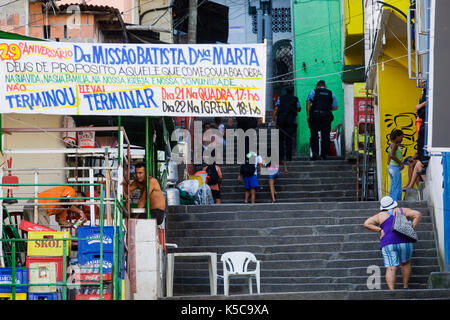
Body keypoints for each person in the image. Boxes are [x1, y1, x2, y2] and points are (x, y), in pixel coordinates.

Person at [363, 196, 422, 290]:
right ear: (393, 203)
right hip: (405, 241)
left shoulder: (379, 216)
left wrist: (380, 230)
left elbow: (366, 223)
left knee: (391, 267)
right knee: (405, 263)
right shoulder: (402, 210)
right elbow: (417, 214)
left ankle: (392, 291)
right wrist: (411, 228)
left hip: (388, 242)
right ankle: (405, 287)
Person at [272, 86, 301, 174]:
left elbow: (276, 108)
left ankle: (281, 156)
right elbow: (299, 108)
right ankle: (288, 157)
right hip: (290, 121)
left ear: (285, 91)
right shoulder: (296, 99)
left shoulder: (280, 98)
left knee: (280, 140)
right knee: (289, 139)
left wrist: (273, 118)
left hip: (281, 121)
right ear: (293, 91)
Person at [306, 80, 338, 160]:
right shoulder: (331, 94)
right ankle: (324, 155)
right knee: (326, 136)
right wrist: (325, 108)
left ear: (317, 86)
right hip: (326, 117)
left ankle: (315, 155)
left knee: (314, 135)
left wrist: (308, 115)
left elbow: (308, 103)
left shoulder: (313, 92)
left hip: (315, 116)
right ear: (325, 86)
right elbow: (335, 107)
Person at [387, 130, 404, 201]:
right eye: (401, 137)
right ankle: (397, 202)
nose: (402, 139)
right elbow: (391, 155)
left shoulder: (392, 144)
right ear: (397, 137)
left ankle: (392, 201)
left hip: (391, 167)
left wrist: (389, 162)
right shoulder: (395, 145)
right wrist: (401, 163)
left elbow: (389, 156)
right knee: (397, 187)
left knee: (393, 186)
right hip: (395, 168)